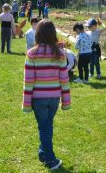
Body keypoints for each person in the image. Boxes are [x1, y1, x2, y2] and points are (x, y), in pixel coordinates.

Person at [22, 19, 70, 171]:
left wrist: (27, 103)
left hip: (38, 99)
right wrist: (66, 101)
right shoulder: (60, 54)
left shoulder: (32, 53)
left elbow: (28, 81)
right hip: (54, 98)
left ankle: (49, 159)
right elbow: (64, 79)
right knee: (46, 126)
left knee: (44, 127)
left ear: (38, 34)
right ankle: (44, 154)